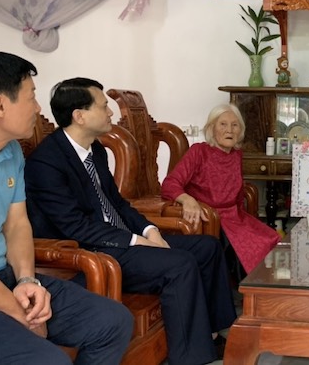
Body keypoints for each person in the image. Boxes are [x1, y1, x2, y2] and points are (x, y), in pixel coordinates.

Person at [0, 52, 133, 365]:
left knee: (112, 321)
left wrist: (27, 282)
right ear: (0, 105)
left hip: (0, 277)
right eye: (31, 97)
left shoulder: (9, 150)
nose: (39, 108)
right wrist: (18, 311)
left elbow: (17, 225)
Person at [24, 78, 236, 365]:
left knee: (207, 247)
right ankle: (192, 358)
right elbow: (74, 227)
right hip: (93, 249)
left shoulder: (94, 150)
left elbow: (118, 203)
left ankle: (218, 330)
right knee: (180, 264)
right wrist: (138, 241)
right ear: (80, 115)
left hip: (121, 239)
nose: (111, 113)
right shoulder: (46, 162)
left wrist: (150, 230)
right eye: (103, 107)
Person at [162, 104, 280, 276]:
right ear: (212, 128)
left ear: (240, 130)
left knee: (270, 237)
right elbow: (170, 183)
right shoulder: (199, 152)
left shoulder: (236, 155)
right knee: (243, 246)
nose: (229, 130)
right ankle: (239, 293)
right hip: (211, 217)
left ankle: (260, 292)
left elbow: (236, 191)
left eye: (235, 125)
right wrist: (187, 200)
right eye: (223, 124)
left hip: (235, 216)